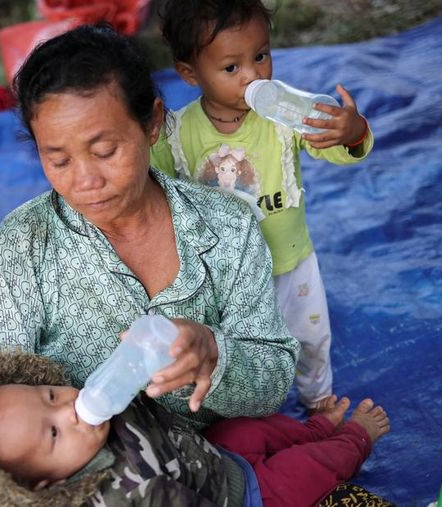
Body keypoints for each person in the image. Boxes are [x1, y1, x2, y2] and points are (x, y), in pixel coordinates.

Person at [0, 24, 299, 431]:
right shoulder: (23, 244)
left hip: (216, 463)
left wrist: (216, 355)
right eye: (58, 160)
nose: (85, 180)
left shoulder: (226, 226)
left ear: (152, 124)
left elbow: (273, 379)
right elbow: (2, 401)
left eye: (104, 151)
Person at [151, 0, 375, 409]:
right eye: (232, 68)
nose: (254, 76)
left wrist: (351, 130)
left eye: (261, 56)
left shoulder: (283, 116)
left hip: (290, 263)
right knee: (241, 349)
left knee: (311, 337)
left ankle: (317, 398)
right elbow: (150, 186)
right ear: (190, 73)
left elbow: (336, 147)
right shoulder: (178, 135)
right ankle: (249, 411)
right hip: (224, 279)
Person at [0, 351, 393, 506]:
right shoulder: (129, 498)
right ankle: (354, 438)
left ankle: (315, 428)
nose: (72, 412)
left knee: (255, 429)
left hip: (212, 456)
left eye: (51, 397)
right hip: (244, 498)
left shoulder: (91, 404)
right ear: (44, 484)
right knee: (311, 469)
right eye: (54, 435)